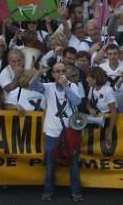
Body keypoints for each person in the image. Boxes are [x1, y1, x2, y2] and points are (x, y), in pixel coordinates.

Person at [30, 63, 84, 201]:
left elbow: (77, 101)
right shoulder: (48, 87)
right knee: (50, 163)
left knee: (73, 163)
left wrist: (66, 86)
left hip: (70, 131)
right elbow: (32, 84)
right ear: (53, 74)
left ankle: (76, 191)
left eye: (63, 71)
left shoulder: (73, 86)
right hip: (52, 131)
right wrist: (39, 72)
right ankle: (48, 190)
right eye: (57, 71)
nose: (60, 73)